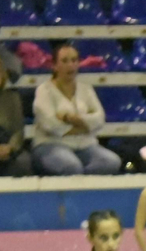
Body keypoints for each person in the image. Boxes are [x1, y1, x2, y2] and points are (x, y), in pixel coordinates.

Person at [31, 43, 120, 176]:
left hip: (85, 146)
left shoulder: (86, 89)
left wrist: (69, 118)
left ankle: (84, 182)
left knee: (112, 162)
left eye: (74, 60)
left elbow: (99, 119)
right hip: (51, 145)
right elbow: (50, 125)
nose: (70, 65)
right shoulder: (44, 90)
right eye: (65, 61)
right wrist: (85, 127)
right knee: (71, 166)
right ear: (54, 65)